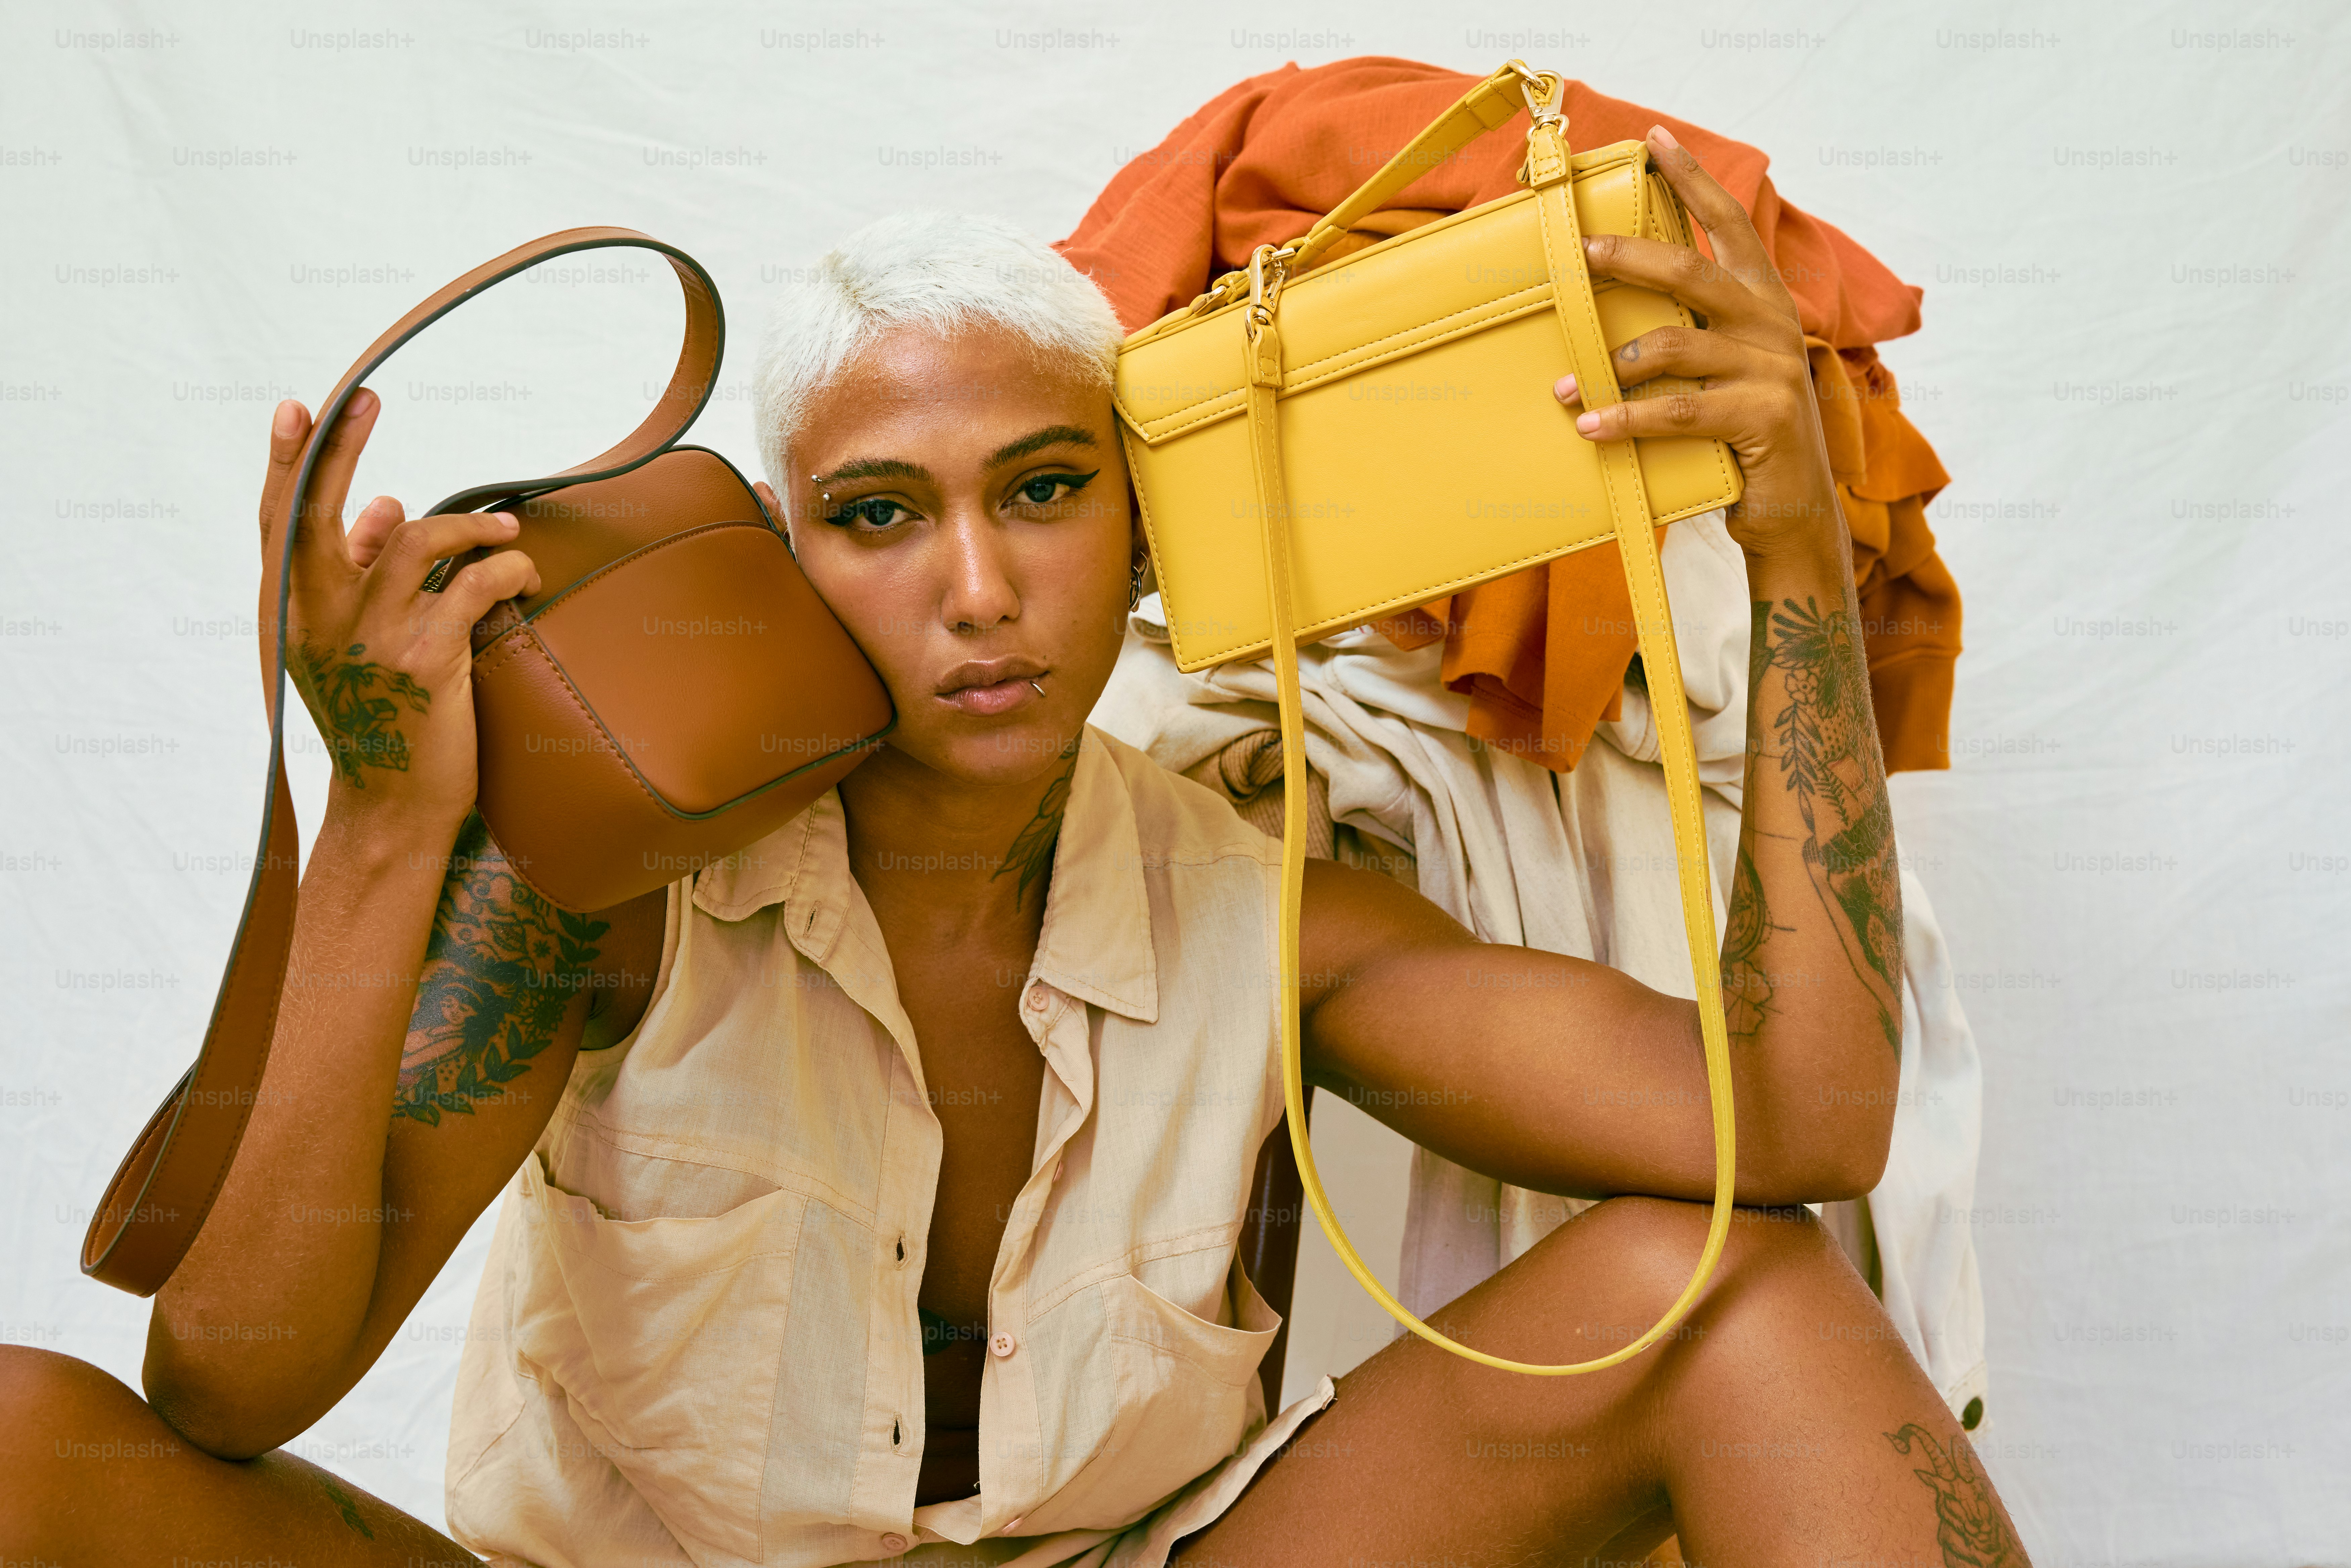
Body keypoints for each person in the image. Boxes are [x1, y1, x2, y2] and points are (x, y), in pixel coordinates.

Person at [0, 128, 2030, 1568]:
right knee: (25, 1442)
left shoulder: (1276, 916)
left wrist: (1782, 570)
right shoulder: (602, 905)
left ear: (1136, 532)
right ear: (776, 561)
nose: (979, 588)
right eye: (881, 516)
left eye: (1043, 489)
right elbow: (226, 1393)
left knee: (1727, 1293)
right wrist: (384, 819)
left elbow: (1804, 1131)